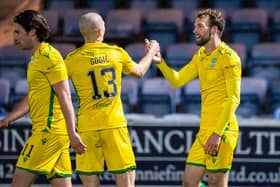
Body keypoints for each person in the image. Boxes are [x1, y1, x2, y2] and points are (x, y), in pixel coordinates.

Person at [147, 9, 241, 187]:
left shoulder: (230, 58)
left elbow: (234, 99)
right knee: (189, 183)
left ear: (213, 30)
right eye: (194, 26)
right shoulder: (201, 56)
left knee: (216, 183)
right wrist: (161, 63)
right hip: (204, 131)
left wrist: (217, 133)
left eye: (200, 26)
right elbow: (177, 80)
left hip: (223, 131)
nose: (194, 30)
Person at [64, 12, 159, 187]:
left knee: (90, 180)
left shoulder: (71, 60)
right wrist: (151, 52)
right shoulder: (116, 53)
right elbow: (139, 71)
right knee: (126, 177)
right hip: (113, 124)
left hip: (87, 127)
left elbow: (59, 88)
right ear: (101, 31)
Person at [0, 10, 86, 187]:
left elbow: (65, 95)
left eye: (18, 32)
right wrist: (8, 119)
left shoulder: (49, 57)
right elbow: (34, 96)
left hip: (48, 134)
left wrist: (72, 133)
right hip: (54, 134)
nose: (14, 37)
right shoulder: (36, 58)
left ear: (32, 31)